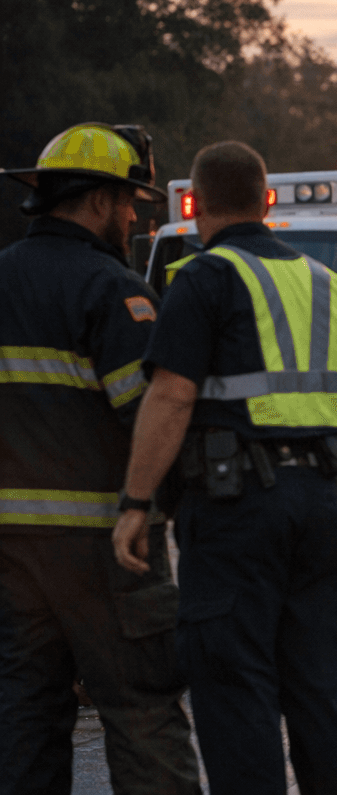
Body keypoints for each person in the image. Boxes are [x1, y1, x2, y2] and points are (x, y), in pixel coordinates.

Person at [110, 140, 337, 794]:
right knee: (317, 688)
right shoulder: (326, 283)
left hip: (235, 511)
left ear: (196, 204)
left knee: (236, 691)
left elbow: (172, 395)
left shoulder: (202, 279)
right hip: (320, 503)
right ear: (266, 201)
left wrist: (137, 503)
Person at [0, 123, 199, 794]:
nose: (134, 215)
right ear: (95, 202)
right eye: (129, 202)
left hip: (11, 552)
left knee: (24, 718)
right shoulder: (112, 291)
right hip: (110, 549)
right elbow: (153, 417)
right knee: (143, 713)